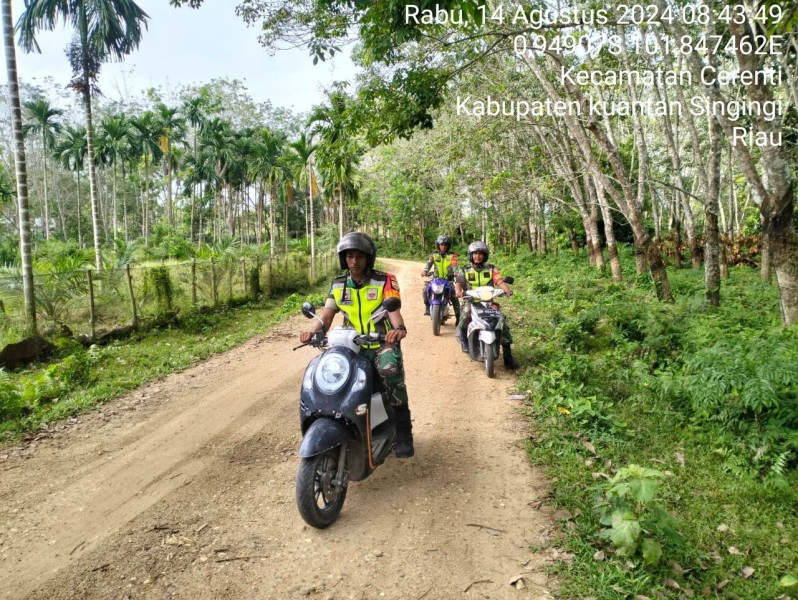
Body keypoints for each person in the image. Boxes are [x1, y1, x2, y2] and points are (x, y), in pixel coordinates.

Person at [298, 232, 415, 458]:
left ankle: (403, 431)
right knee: (329, 375)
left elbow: (393, 312)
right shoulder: (338, 284)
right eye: (349, 256)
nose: (354, 261)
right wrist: (312, 331)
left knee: (389, 373)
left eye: (359, 256)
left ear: (368, 258)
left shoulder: (385, 280)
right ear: (344, 259)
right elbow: (327, 316)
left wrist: (398, 330)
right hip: (350, 344)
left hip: (381, 343)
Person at [454, 241, 518, 369]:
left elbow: (499, 281)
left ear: (485, 255)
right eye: (475, 253)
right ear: (471, 255)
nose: (477, 256)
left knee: (502, 323)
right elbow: (459, 282)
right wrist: (458, 291)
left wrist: (507, 289)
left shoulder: (491, 269)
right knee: (465, 315)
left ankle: (508, 358)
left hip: (489, 302)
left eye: (480, 254)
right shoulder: (465, 269)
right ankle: (464, 340)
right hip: (471, 300)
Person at [420, 235, 460, 323]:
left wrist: (456, 272)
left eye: (445, 245)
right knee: (425, 290)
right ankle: (427, 307)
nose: (443, 246)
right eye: (441, 244)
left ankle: (458, 317)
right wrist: (425, 270)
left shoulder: (452, 256)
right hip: (436, 280)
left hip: (448, 280)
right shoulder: (434, 254)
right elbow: (429, 263)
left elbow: (454, 265)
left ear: (448, 246)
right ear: (438, 245)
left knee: (455, 296)